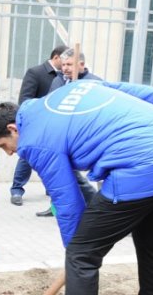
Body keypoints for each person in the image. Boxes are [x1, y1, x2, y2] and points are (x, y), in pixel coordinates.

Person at [0, 80, 153, 295]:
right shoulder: (75, 87)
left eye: (3, 146)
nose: (9, 153)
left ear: (13, 129)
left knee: (82, 256)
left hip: (139, 169)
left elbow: (67, 202)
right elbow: (151, 94)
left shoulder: (34, 141)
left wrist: (75, 251)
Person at [33, 48, 101, 216]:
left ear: (81, 64)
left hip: (86, 136)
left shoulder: (95, 83)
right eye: (63, 65)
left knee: (96, 175)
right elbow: (50, 102)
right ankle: (58, 207)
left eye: (69, 64)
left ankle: (98, 208)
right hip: (61, 135)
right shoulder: (59, 81)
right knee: (61, 173)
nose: (65, 68)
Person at [9, 45, 68, 207]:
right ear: (56, 57)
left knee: (54, 158)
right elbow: (25, 99)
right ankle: (17, 190)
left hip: (57, 125)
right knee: (27, 157)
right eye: (64, 61)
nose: (67, 65)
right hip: (36, 122)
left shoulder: (66, 76)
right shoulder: (36, 72)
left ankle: (51, 190)